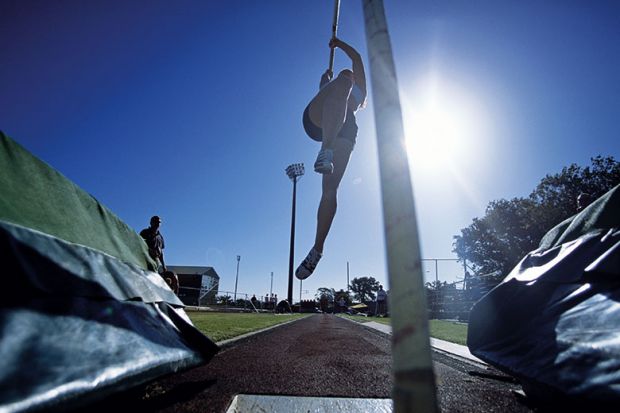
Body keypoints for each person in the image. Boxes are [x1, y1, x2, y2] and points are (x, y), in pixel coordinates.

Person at [295, 37, 367, 280]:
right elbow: (329, 90)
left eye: (352, 75)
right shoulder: (337, 83)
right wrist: (324, 83)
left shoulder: (359, 90)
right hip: (319, 122)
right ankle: (325, 149)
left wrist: (338, 43)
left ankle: (317, 250)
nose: (349, 75)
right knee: (341, 81)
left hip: (345, 131)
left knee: (329, 191)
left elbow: (357, 58)